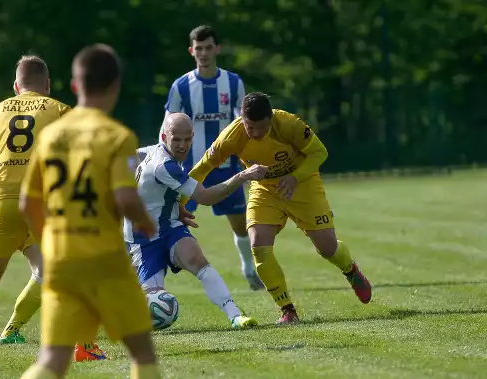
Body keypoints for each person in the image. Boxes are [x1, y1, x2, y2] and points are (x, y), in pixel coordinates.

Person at [0, 55, 103, 371]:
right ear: (47, 85)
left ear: (16, 86)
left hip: (2, 201)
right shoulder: (59, 110)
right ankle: (83, 345)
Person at [19, 44, 161, 379]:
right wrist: (144, 222)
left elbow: (28, 204)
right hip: (105, 259)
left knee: (52, 361)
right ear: (115, 87)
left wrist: (49, 241)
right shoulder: (118, 137)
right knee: (142, 353)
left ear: (74, 86)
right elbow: (126, 197)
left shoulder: (50, 136)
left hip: (62, 260)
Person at [186, 92, 373, 324]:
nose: (254, 133)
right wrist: (181, 201)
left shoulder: (289, 124)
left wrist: (295, 177)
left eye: (260, 128)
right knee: (258, 245)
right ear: (242, 118)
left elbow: (319, 152)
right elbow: (201, 169)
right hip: (264, 190)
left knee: (327, 248)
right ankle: (288, 310)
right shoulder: (232, 135)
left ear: (271, 118)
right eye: (249, 127)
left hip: (302, 184)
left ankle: (351, 270)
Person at [126, 113, 266, 329]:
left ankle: (235, 316)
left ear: (192, 136)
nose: (182, 145)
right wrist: (242, 176)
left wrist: (172, 206)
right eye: (176, 139)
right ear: (164, 136)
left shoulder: (148, 151)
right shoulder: (165, 165)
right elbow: (205, 197)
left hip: (168, 227)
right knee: (152, 306)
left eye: (187, 139)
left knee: (197, 259)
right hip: (143, 241)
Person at [163, 25, 264, 291]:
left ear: (217, 49)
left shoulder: (233, 83)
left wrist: (248, 156)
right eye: (199, 48)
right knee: (170, 222)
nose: (204, 53)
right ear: (191, 51)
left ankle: (248, 268)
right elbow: (167, 126)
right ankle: (156, 281)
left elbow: (245, 123)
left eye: (209, 47)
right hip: (190, 169)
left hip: (226, 166)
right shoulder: (181, 86)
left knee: (240, 226)